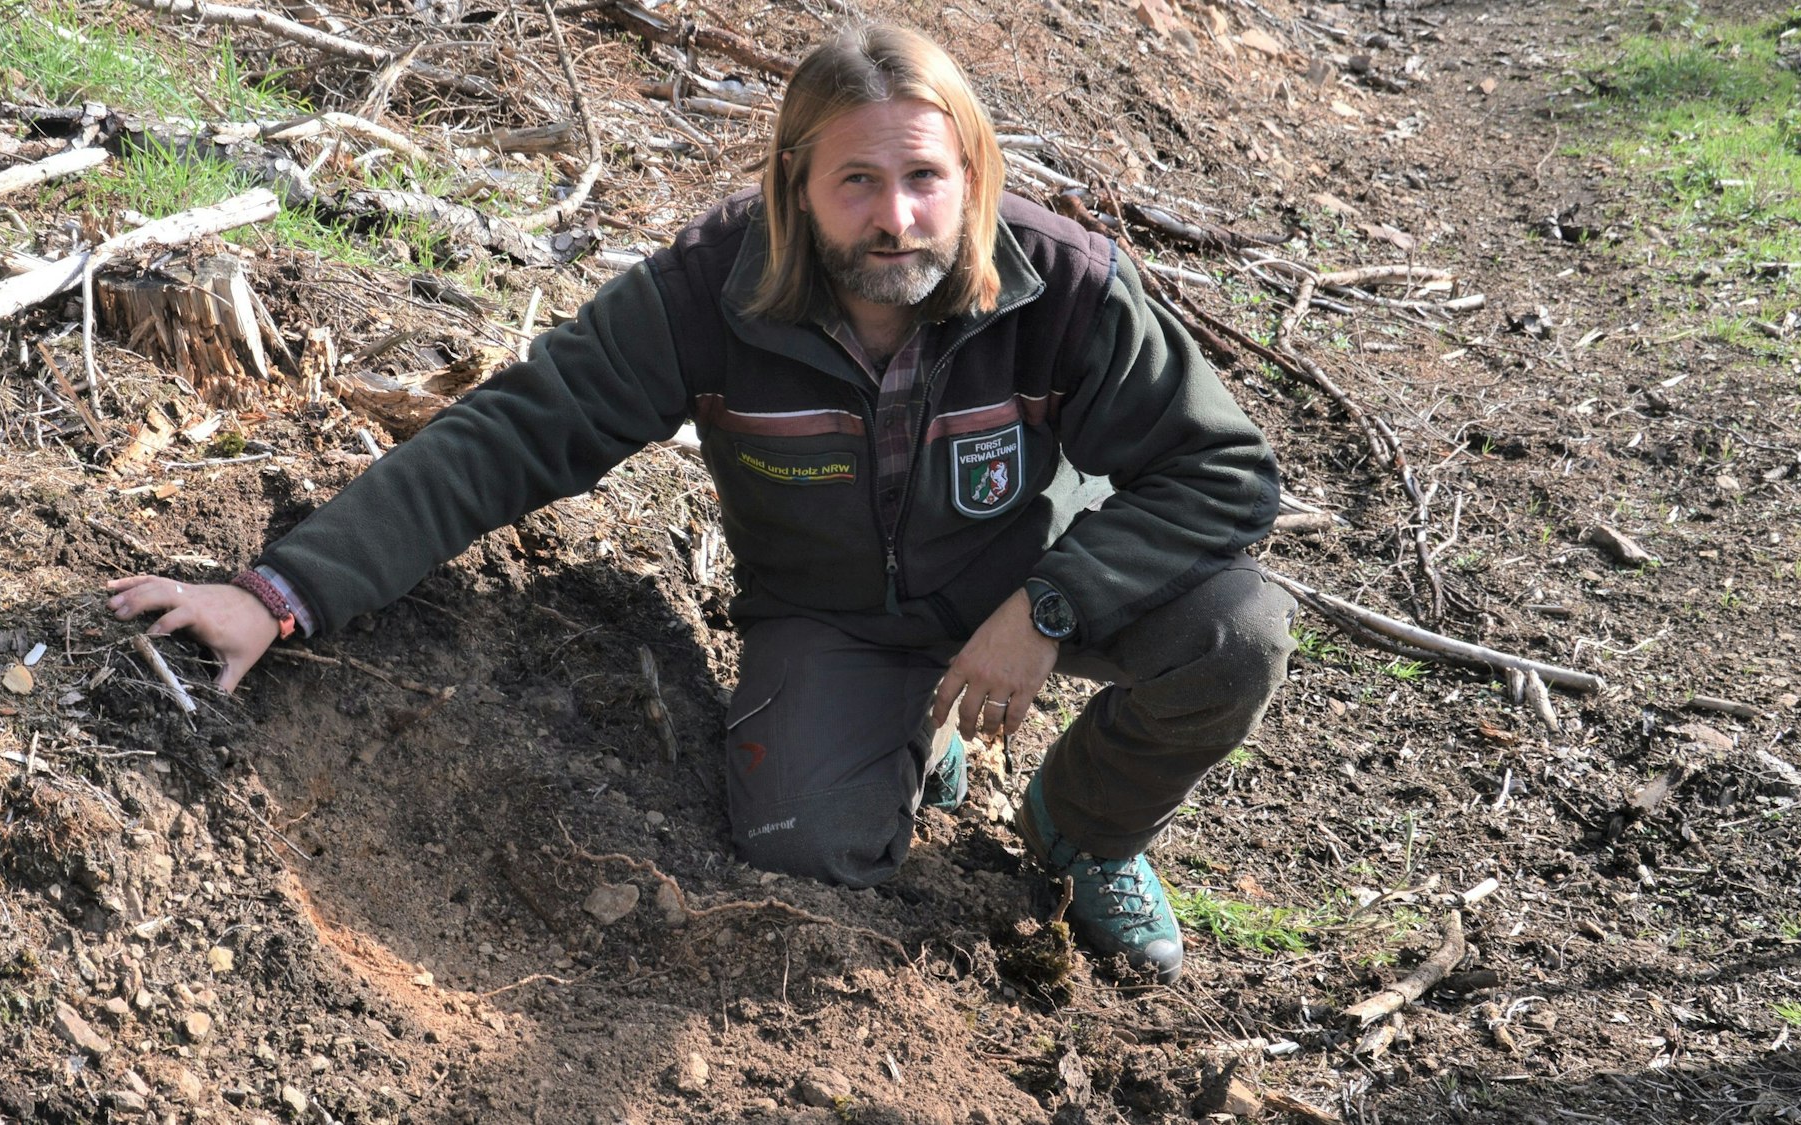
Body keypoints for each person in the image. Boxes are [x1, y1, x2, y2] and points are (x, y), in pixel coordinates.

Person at [107, 24, 1296, 983]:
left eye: (926, 179)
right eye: (858, 183)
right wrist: (281, 591)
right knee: (808, 856)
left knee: (1234, 632)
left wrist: (1046, 606)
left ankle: (1083, 830)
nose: (897, 218)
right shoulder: (707, 291)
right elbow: (520, 431)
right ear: (795, 182)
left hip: (1008, 590)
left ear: (970, 173)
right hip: (827, 621)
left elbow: (1223, 472)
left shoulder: (1062, 285)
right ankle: (907, 729)